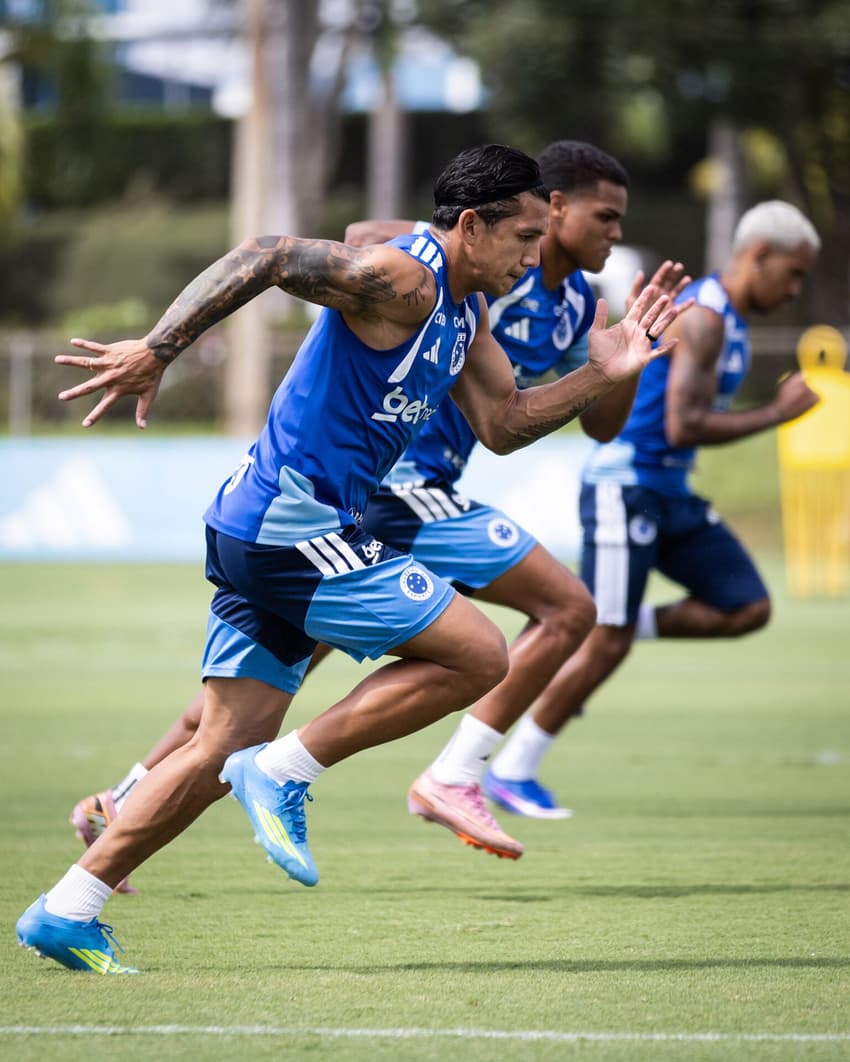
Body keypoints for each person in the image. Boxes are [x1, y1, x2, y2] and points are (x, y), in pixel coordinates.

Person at [16, 143, 685, 975]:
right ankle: (289, 772)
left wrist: (600, 371)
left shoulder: (466, 313)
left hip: (267, 529)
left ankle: (67, 908)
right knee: (480, 653)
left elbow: (506, 422)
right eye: (521, 236)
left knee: (218, 745)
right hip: (291, 527)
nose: (529, 254)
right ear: (470, 227)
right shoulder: (408, 280)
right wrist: (160, 346)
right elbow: (267, 255)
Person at [482, 199, 821, 815]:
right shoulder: (707, 318)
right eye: (793, 273)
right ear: (760, 256)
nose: (796, 288)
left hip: (670, 492)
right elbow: (684, 423)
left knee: (746, 605)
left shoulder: (730, 322)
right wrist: (778, 413)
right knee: (606, 642)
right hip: (627, 485)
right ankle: (510, 769)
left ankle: (611, 622)